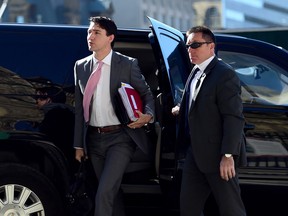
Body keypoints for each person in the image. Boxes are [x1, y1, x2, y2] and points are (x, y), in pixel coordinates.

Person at [73, 16, 155, 216]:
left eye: (96, 32)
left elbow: (147, 95)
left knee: (104, 193)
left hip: (120, 139)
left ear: (110, 37)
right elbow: (78, 108)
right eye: (89, 32)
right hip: (93, 139)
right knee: (111, 191)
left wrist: (148, 115)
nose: (90, 36)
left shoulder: (127, 64)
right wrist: (78, 145)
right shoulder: (81, 66)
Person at [175, 26, 247, 216]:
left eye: (196, 45)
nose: (191, 50)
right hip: (194, 155)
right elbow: (198, 103)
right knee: (188, 209)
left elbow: (234, 117)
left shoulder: (225, 74)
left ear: (211, 47)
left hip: (218, 156)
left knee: (231, 210)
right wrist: (180, 109)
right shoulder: (195, 71)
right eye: (188, 45)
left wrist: (228, 156)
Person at [34, 86, 76, 168]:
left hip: (61, 159)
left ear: (49, 99)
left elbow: (44, 134)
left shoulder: (54, 114)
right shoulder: (66, 112)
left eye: (40, 98)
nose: (36, 101)